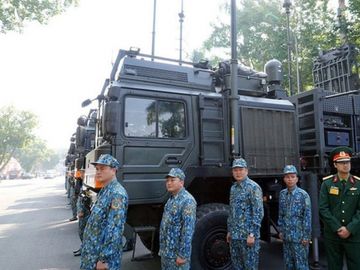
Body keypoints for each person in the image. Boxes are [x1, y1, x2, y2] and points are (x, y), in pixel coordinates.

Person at [80, 154, 128, 270]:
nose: (98, 172)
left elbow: (114, 229)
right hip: (92, 254)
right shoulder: (105, 190)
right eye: (97, 169)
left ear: (113, 170)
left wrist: (104, 259)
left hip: (101, 260)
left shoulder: (117, 194)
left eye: (102, 168)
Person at [319, 146, 360, 270]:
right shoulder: (327, 184)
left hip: (354, 234)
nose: (345, 165)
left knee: (356, 265)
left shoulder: (358, 184)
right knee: (334, 266)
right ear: (335, 165)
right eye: (342, 162)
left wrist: (349, 228)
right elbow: (323, 209)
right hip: (333, 235)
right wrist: (337, 228)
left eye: (347, 162)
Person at [227, 158, 264, 270]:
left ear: (246, 171)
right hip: (235, 236)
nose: (238, 172)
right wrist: (229, 231)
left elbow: (258, 212)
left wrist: (252, 234)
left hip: (247, 237)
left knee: (250, 267)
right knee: (237, 266)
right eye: (235, 170)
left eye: (240, 170)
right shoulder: (233, 188)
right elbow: (231, 211)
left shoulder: (253, 187)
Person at [159, 168, 197, 270]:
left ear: (181, 182)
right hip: (167, 253)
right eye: (167, 180)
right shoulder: (171, 200)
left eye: (172, 180)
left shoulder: (187, 201)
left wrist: (183, 255)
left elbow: (188, 230)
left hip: (177, 255)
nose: (169, 183)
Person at [278, 165, 312, 270]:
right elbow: (281, 214)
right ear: (284, 179)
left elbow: (307, 216)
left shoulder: (303, 195)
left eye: (292, 176)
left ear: (297, 179)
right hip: (287, 236)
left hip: (299, 237)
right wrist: (281, 230)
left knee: (301, 265)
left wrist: (306, 236)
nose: (290, 179)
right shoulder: (282, 194)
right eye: (287, 177)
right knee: (289, 265)